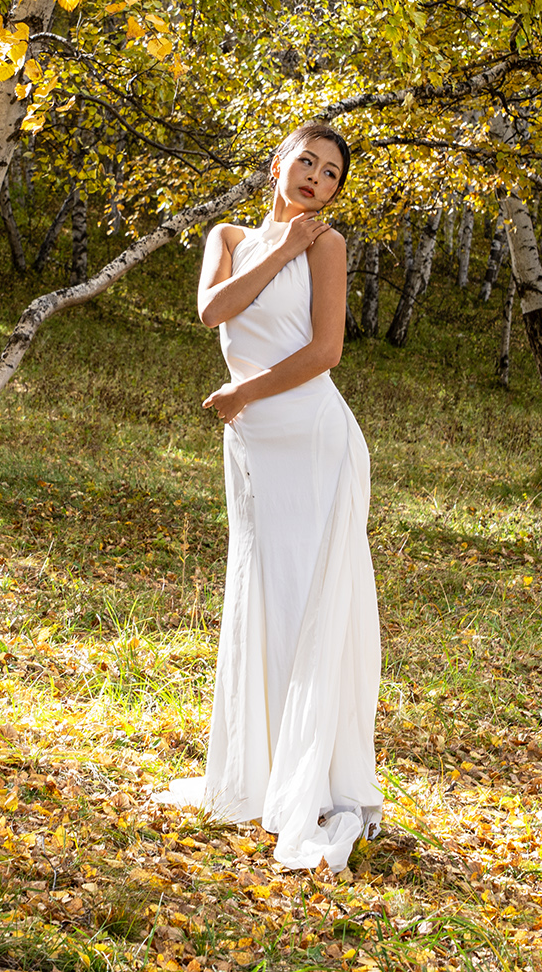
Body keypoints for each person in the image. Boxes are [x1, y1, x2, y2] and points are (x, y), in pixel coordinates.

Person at [155, 122, 382, 872]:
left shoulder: (330, 246)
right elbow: (213, 311)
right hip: (252, 439)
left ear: (336, 191)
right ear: (278, 164)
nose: (316, 176)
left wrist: (243, 392)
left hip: (309, 436)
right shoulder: (227, 237)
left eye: (331, 172)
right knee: (258, 592)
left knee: (304, 597)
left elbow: (325, 352)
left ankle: (312, 780)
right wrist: (281, 248)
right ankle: (257, 769)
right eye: (305, 161)